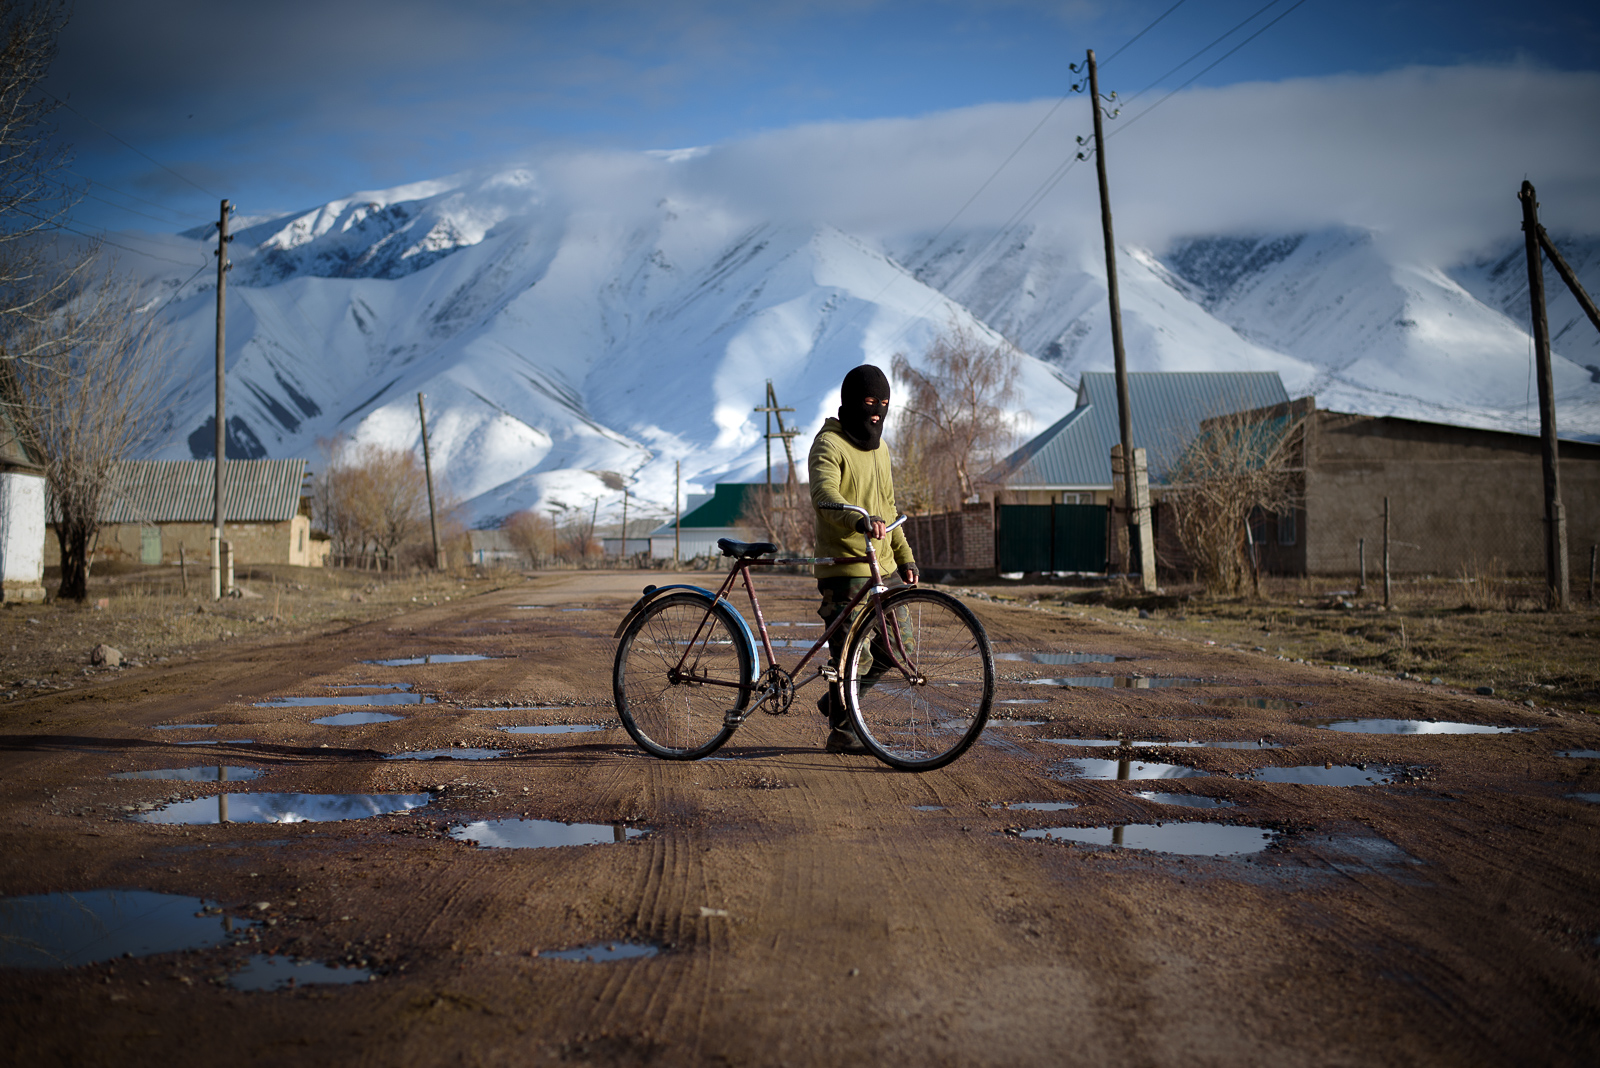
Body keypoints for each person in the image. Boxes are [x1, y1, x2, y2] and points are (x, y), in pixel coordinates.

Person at [808, 364, 918, 754]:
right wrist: (857, 519)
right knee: (854, 657)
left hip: (881, 567)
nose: (876, 412)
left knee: (898, 646)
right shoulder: (829, 445)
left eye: (884, 404)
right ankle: (843, 731)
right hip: (844, 569)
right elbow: (825, 496)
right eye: (869, 402)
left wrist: (904, 556)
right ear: (850, 402)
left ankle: (837, 702)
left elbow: (886, 508)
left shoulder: (882, 448)